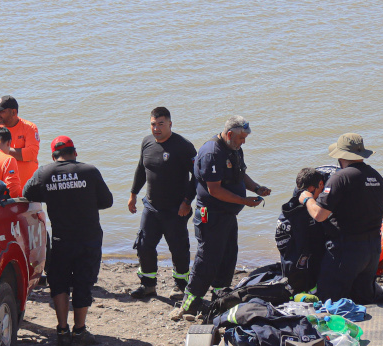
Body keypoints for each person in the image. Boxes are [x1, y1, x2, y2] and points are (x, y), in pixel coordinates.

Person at [171, 116, 271, 320]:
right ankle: (189, 304)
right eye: (241, 138)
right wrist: (244, 201)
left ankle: (220, 298)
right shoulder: (212, 153)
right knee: (207, 258)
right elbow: (214, 190)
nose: (244, 142)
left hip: (228, 214)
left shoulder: (234, 148)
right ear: (229, 134)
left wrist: (256, 188)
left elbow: (240, 174)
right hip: (210, 214)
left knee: (228, 255)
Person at [22, 136, 113, 346]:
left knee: (59, 283)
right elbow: (107, 201)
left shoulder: (44, 172)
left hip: (61, 240)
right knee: (83, 283)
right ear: (75, 153)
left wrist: (53, 195)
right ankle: (79, 330)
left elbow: (27, 194)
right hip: (88, 238)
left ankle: (62, 330)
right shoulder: (89, 171)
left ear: (53, 156)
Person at [297, 133, 383, 304]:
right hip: (372, 249)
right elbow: (382, 215)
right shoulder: (377, 177)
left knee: (329, 298)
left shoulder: (340, 178)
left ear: (340, 156)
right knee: (363, 299)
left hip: (347, 250)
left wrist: (307, 199)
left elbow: (319, 215)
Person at [128, 106, 197, 300]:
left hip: (176, 209)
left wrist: (187, 201)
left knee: (178, 248)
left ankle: (181, 286)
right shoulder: (147, 142)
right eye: (153, 124)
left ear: (170, 124)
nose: (156, 128)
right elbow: (141, 169)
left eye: (161, 124)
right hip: (151, 207)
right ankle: (148, 284)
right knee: (144, 245)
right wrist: (133, 194)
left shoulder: (183, 146)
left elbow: (198, 176)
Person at [276, 166, 337, 295]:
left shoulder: (332, 188)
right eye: (303, 192)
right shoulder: (302, 191)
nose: (304, 195)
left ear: (321, 185)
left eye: (308, 193)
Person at [0, 95, 39, 195]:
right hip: (1, 192)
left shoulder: (29, 127)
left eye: (1, 111)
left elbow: (31, 154)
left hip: (28, 190)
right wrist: (17, 152)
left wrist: (2, 150)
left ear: (13, 112)